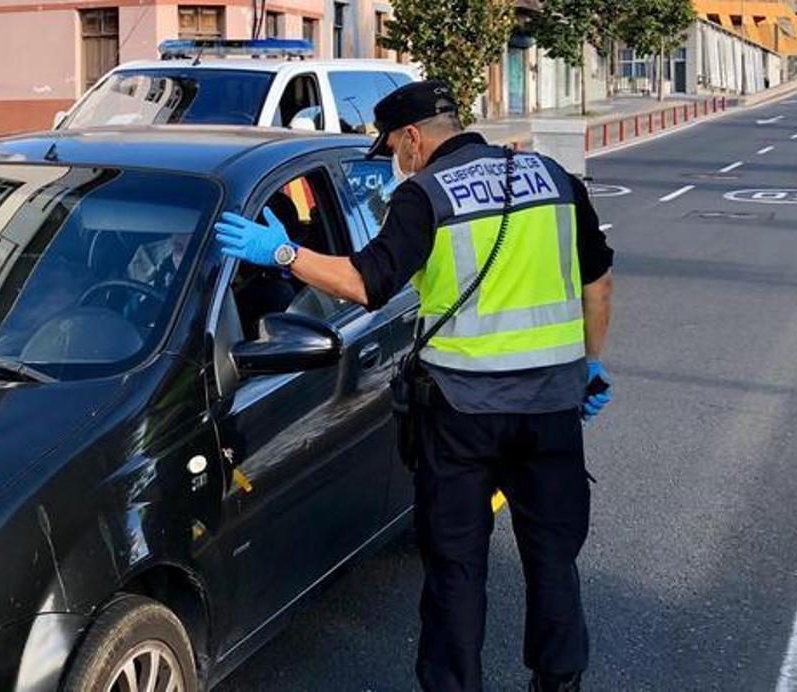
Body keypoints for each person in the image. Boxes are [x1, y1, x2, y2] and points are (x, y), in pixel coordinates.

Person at [214, 80, 614, 692]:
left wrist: (284, 254)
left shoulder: (425, 194)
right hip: (551, 408)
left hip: (461, 414)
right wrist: (589, 364)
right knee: (553, 556)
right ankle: (559, 680)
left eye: (395, 150)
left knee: (457, 567)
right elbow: (598, 283)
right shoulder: (554, 179)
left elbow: (365, 284)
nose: (398, 163)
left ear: (412, 138)